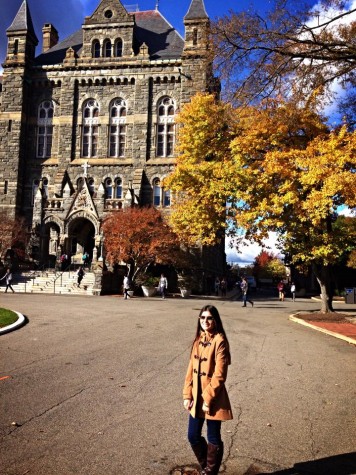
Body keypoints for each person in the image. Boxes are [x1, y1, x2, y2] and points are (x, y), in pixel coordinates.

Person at [183, 305, 233, 474]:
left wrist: (207, 399)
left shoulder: (220, 341)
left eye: (209, 318)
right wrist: (187, 394)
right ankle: (208, 469)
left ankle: (209, 472)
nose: (205, 321)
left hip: (213, 397)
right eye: (202, 318)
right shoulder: (198, 340)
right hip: (196, 396)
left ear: (215, 320)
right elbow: (190, 370)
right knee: (193, 435)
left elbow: (220, 375)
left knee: (213, 437)